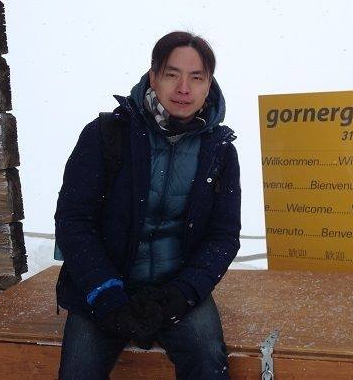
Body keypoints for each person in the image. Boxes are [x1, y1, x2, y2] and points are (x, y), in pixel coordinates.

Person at [54, 31, 241, 379]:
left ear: (208, 85)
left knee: (208, 365)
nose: (183, 88)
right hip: (103, 288)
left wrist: (183, 293)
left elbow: (224, 236)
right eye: (172, 74)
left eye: (196, 77)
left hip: (176, 289)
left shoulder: (219, 152)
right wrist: (105, 293)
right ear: (153, 77)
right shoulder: (105, 135)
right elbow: (73, 220)